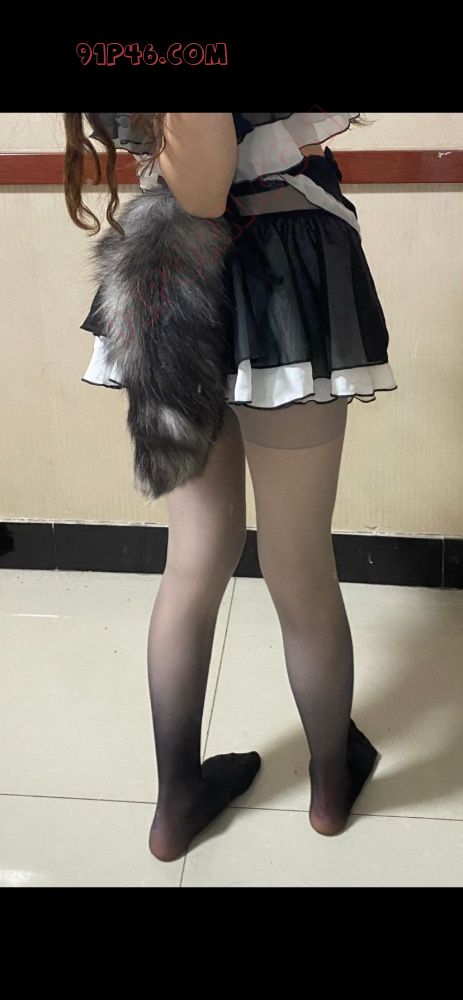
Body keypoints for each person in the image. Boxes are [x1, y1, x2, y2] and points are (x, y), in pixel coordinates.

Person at [63, 112, 397, 862]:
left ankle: (178, 802)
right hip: (277, 269)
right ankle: (330, 786)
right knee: (297, 559)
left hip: (171, 279)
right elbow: (206, 186)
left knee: (194, 555)